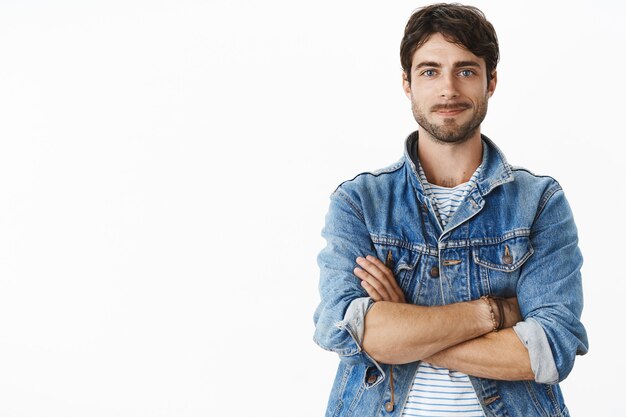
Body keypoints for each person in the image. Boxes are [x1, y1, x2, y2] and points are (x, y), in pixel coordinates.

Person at [313, 3, 588, 417]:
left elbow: (549, 351)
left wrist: (407, 327)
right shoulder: (361, 203)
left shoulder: (539, 202)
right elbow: (346, 331)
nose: (448, 89)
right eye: (429, 71)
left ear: (490, 81)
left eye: (465, 70)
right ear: (406, 82)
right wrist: (495, 313)